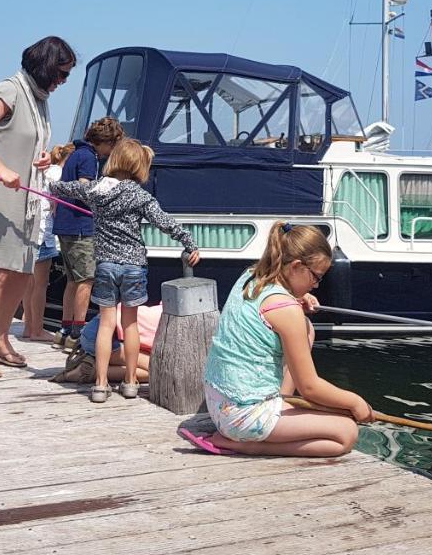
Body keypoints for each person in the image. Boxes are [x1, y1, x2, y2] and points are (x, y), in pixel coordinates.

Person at [184, 221, 374, 458]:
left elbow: (272, 308)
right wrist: (355, 402)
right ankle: (243, 445)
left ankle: (280, 402)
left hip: (218, 402)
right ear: (295, 266)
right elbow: (309, 387)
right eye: (316, 277)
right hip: (241, 416)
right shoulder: (287, 310)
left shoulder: (250, 276)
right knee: (346, 433)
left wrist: (300, 294)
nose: (316, 285)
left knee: (306, 328)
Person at [47, 139, 200, 403]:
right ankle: (130, 383)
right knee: (129, 325)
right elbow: (165, 222)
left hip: (105, 264)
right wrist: (189, 242)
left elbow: (60, 187)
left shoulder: (96, 189)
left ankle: (100, 384)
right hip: (133, 266)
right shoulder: (140, 195)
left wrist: (45, 174)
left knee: (107, 325)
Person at [0, 35, 76, 379]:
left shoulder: (39, 99)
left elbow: (25, 140)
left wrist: (41, 158)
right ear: (45, 67)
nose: (63, 81)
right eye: (61, 73)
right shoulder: (11, 89)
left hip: (26, 196)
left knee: (23, 270)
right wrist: (0, 168)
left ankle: (0, 340)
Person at [53, 116, 125, 351]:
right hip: (81, 227)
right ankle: (77, 332)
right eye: (113, 145)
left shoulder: (76, 153)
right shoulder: (88, 158)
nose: (112, 151)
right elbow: (84, 189)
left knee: (73, 280)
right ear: (106, 142)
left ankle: (64, 330)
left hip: (65, 225)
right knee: (87, 279)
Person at [20, 143, 75, 342]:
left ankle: (28, 326)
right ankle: (37, 329)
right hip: (44, 232)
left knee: (28, 282)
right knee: (41, 284)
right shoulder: (59, 173)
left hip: (29, 230)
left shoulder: (44, 171)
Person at [51, 303, 160, 384]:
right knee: (158, 371)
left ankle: (93, 362)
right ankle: (87, 372)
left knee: (145, 364)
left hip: (96, 328)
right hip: (104, 336)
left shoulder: (162, 309)